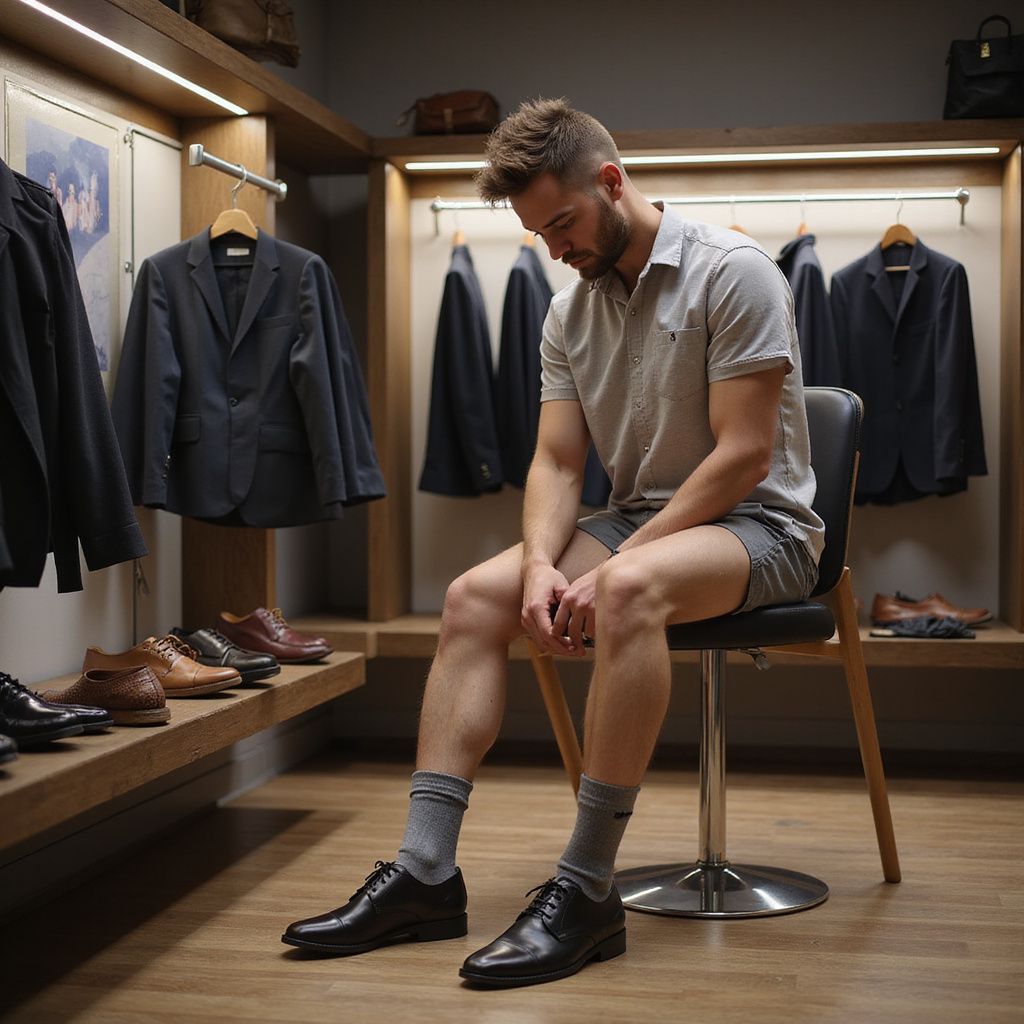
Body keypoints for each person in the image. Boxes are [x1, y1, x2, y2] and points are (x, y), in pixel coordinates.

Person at [283, 98, 824, 988]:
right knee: (473, 597)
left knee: (625, 587)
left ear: (611, 182)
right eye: (537, 232)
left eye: (563, 223)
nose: (554, 247)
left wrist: (619, 556)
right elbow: (557, 460)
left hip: (761, 527)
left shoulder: (737, 273)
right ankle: (424, 874)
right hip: (639, 521)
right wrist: (538, 562)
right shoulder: (568, 312)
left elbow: (745, 455)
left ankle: (586, 891)